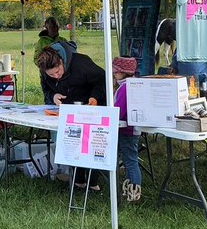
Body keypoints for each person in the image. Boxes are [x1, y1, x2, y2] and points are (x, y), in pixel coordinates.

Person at [36, 41, 107, 190]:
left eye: (58, 71)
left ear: (61, 61)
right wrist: (53, 96)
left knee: (92, 145)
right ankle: (78, 180)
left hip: (92, 107)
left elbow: (103, 80)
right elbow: (46, 90)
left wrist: (94, 97)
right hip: (70, 111)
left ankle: (93, 182)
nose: (56, 76)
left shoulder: (81, 63)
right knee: (74, 144)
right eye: (51, 75)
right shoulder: (45, 72)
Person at [112, 56, 142, 202]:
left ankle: (134, 191)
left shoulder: (124, 88)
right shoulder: (133, 84)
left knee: (130, 160)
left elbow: (120, 110)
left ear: (123, 72)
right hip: (131, 129)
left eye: (116, 71)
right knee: (129, 159)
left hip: (126, 129)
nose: (113, 73)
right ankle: (131, 189)